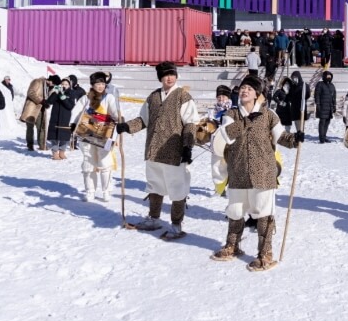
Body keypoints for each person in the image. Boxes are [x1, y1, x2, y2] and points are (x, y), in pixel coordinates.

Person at [210, 75, 302, 271]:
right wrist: (246, 120)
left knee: (264, 212)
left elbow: (282, 137)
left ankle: (265, 253)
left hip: (263, 172)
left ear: (257, 95)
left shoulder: (269, 115)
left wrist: (295, 139)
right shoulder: (232, 114)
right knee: (235, 211)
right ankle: (232, 246)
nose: (244, 91)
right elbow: (225, 135)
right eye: (242, 88)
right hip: (238, 171)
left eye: (249, 89)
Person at [116, 62, 199, 239]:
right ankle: (154, 218)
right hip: (154, 150)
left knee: (177, 189)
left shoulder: (183, 96)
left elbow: (191, 123)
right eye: (165, 75)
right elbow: (143, 120)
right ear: (160, 77)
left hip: (175, 152)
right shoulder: (153, 97)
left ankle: (176, 224)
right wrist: (126, 126)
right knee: (154, 186)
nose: (169, 78)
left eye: (172, 74)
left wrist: (187, 146)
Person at [74, 73, 122, 202]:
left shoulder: (109, 97)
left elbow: (115, 113)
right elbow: (76, 113)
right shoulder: (85, 98)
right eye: (97, 84)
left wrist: (119, 119)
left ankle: (106, 191)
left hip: (104, 135)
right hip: (87, 135)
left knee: (105, 163)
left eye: (102, 83)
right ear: (92, 85)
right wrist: (73, 126)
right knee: (89, 163)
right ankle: (90, 191)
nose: (100, 86)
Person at [45, 78, 76, 160]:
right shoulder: (57, 92)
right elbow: (49, 102)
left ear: (69, 85)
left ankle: (62, 152)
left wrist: (64, 98)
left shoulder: (71, 93)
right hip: (55, 116)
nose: (64, 86)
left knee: (64, 135)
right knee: (53, 135)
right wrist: (55, 93)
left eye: (66, 84)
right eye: (62, 84)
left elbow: (70, 106)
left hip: (65, 117)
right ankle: (55, 152)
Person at [314, 71, 337, 143]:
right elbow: (317, 95)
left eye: (330, 76)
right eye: (327, 76)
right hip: (322, 107)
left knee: (327, 122)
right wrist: (317, 104)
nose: (329, 78)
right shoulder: (320, 84)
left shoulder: (332, 85)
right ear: (324, 77)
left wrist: (334, 105)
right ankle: (321, 138)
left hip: (329, 107)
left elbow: (334, 97)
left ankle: (324, 136)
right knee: (322, 122)